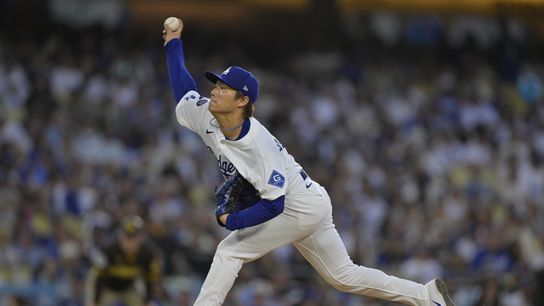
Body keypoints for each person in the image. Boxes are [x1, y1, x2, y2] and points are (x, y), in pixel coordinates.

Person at [162, 18, 456, 306]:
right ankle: (427, 296)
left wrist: (233, 221)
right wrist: (174, 42)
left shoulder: (259, 146)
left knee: (230, 250)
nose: (214, 90)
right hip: (310, 198)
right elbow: (184, 92)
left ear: (242, 101)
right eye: (216, 84)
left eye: (223, 88)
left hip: (296, 206)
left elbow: (274, 205)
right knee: (344, 276)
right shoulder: (208, 116)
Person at [85, 215, 162, 306]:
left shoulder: (148, 253)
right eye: (127, 238)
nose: (130, 242)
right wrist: (95, 301)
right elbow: (99, 277)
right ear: (121, 236)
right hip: (106, 287)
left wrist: (148, 300)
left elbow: (149, 279)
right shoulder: (109, 249)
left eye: (133, 238)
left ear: (141, 238)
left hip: (129, 287)